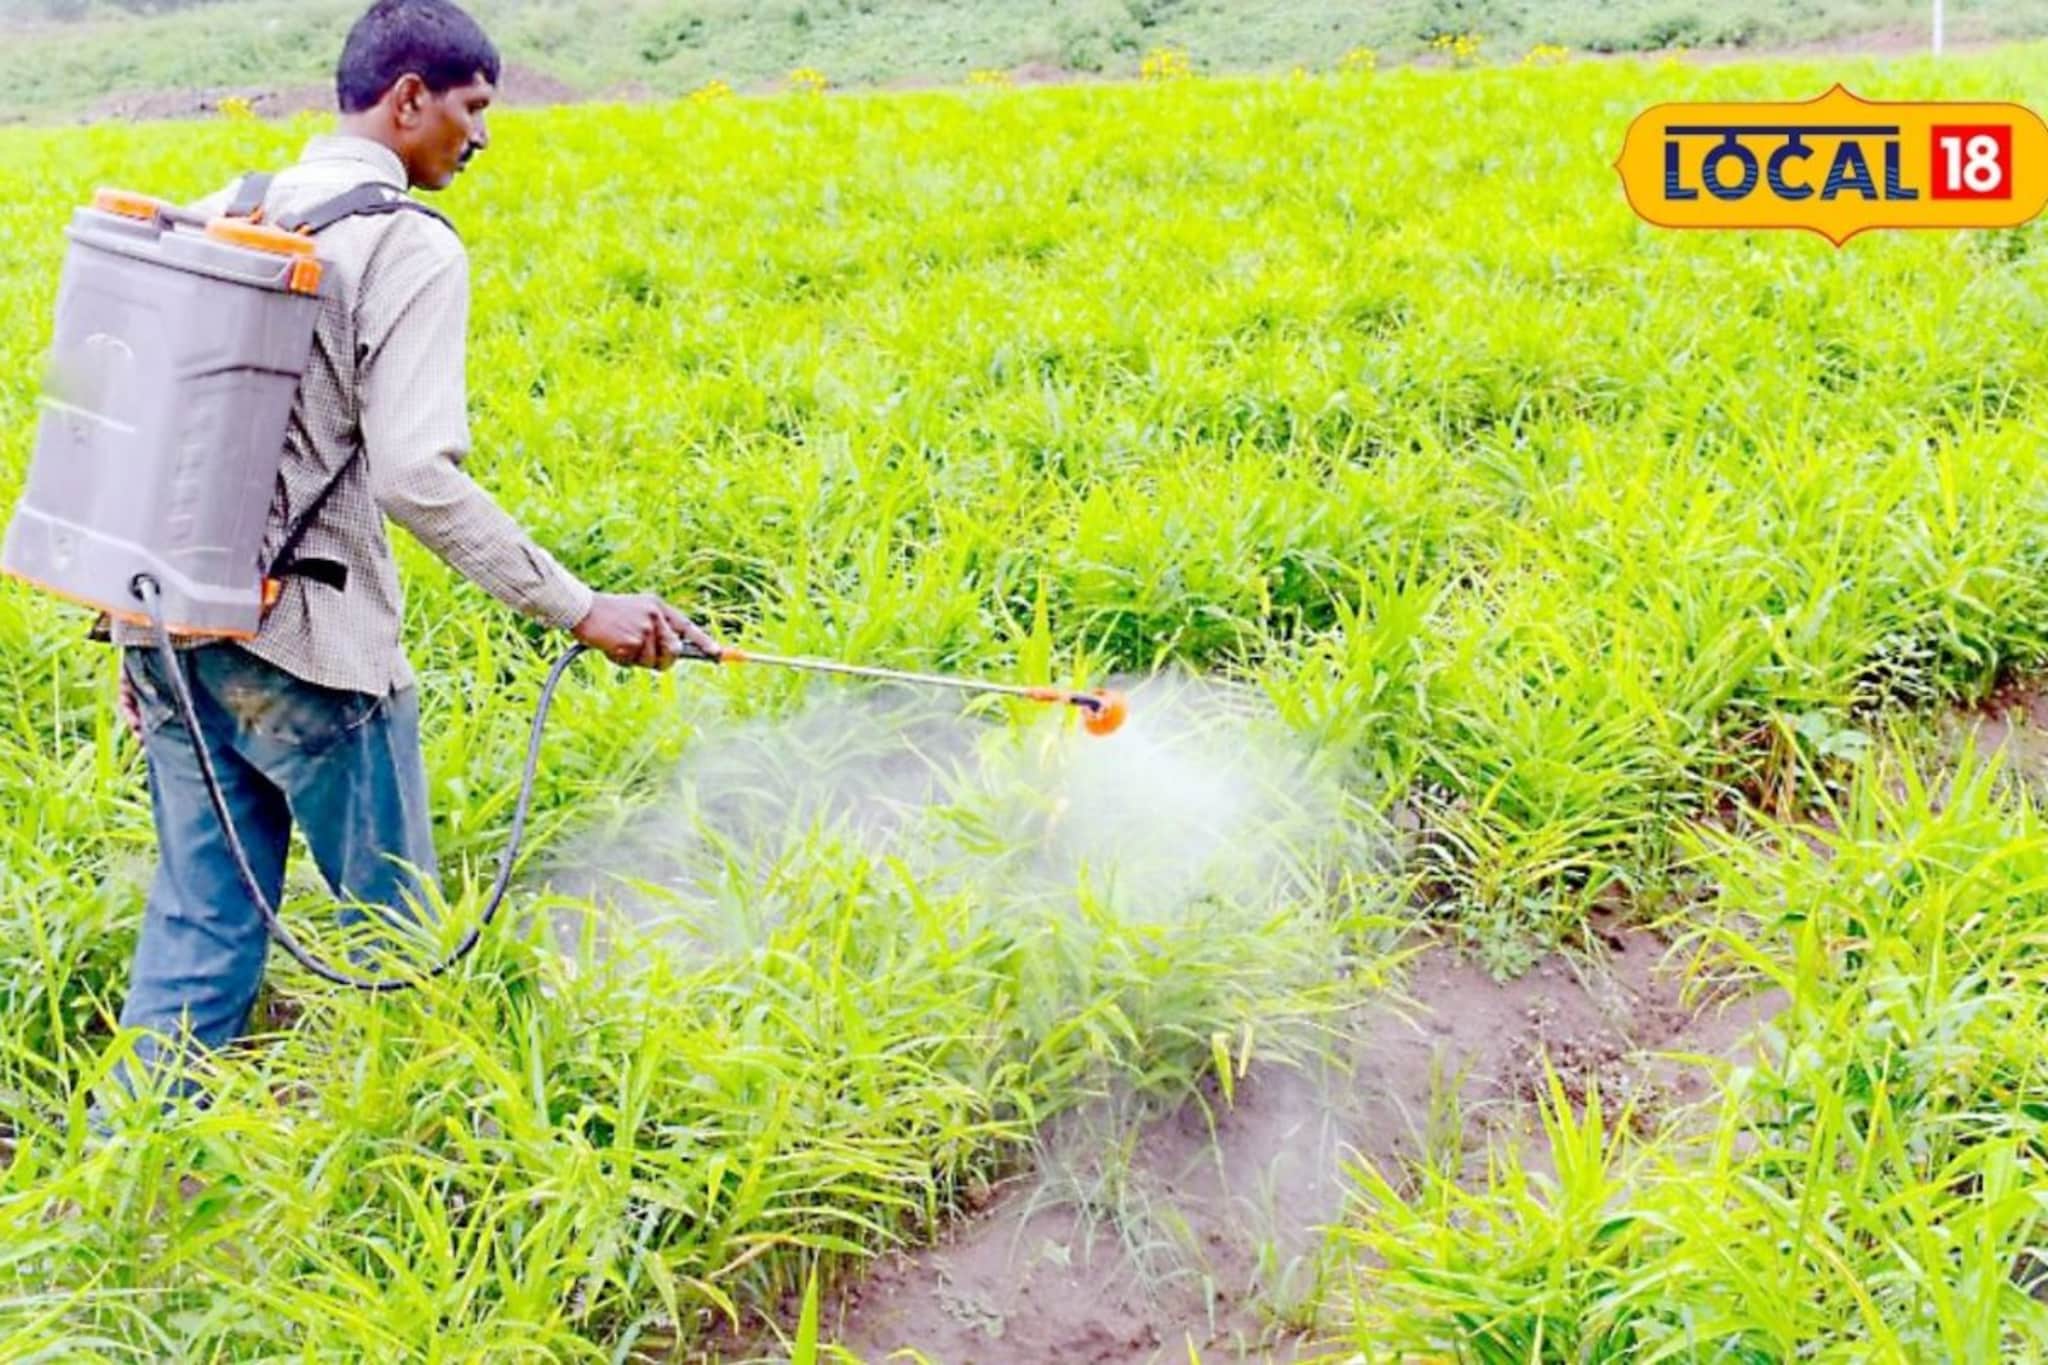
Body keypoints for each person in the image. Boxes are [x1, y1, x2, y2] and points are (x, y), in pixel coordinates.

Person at [107, 0, 713, 1092]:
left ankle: (125, 1166)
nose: (480, 136)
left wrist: (127, 627)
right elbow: (415, 476)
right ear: (408, 100)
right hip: (311, 652)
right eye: (472, 109)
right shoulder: (405, 245)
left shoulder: (222, 208)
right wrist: (582, 609)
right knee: (402, 939)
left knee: (200, 925)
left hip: (168, 626)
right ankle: (433, 1147)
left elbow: (135, 431)